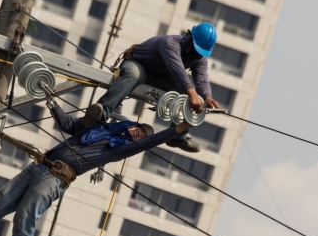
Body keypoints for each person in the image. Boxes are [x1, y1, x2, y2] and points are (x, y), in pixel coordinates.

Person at [0, 101, 192, 236]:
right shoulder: (96, 128)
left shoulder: (119, 148)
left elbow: (151, 141)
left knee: (24, 217)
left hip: (55, 177)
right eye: (138, 128)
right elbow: (68, 124)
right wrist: (51, 100)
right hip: (39, 166)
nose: (137, 134)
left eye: (141, 135)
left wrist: (178, 129)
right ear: (130, 124)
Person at [83, 22, 221, 153]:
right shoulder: (170, 43)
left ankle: (177, 138)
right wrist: (192, 93)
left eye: (200, 52)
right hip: (139, 65)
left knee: (184, 94)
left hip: (160, 77)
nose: (196, 54)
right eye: (196, 49)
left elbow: (202, 79)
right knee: (134, 75)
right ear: (189, 37)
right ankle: (100, 114)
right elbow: (177, 69)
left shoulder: (199, 59)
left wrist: (207, 96)